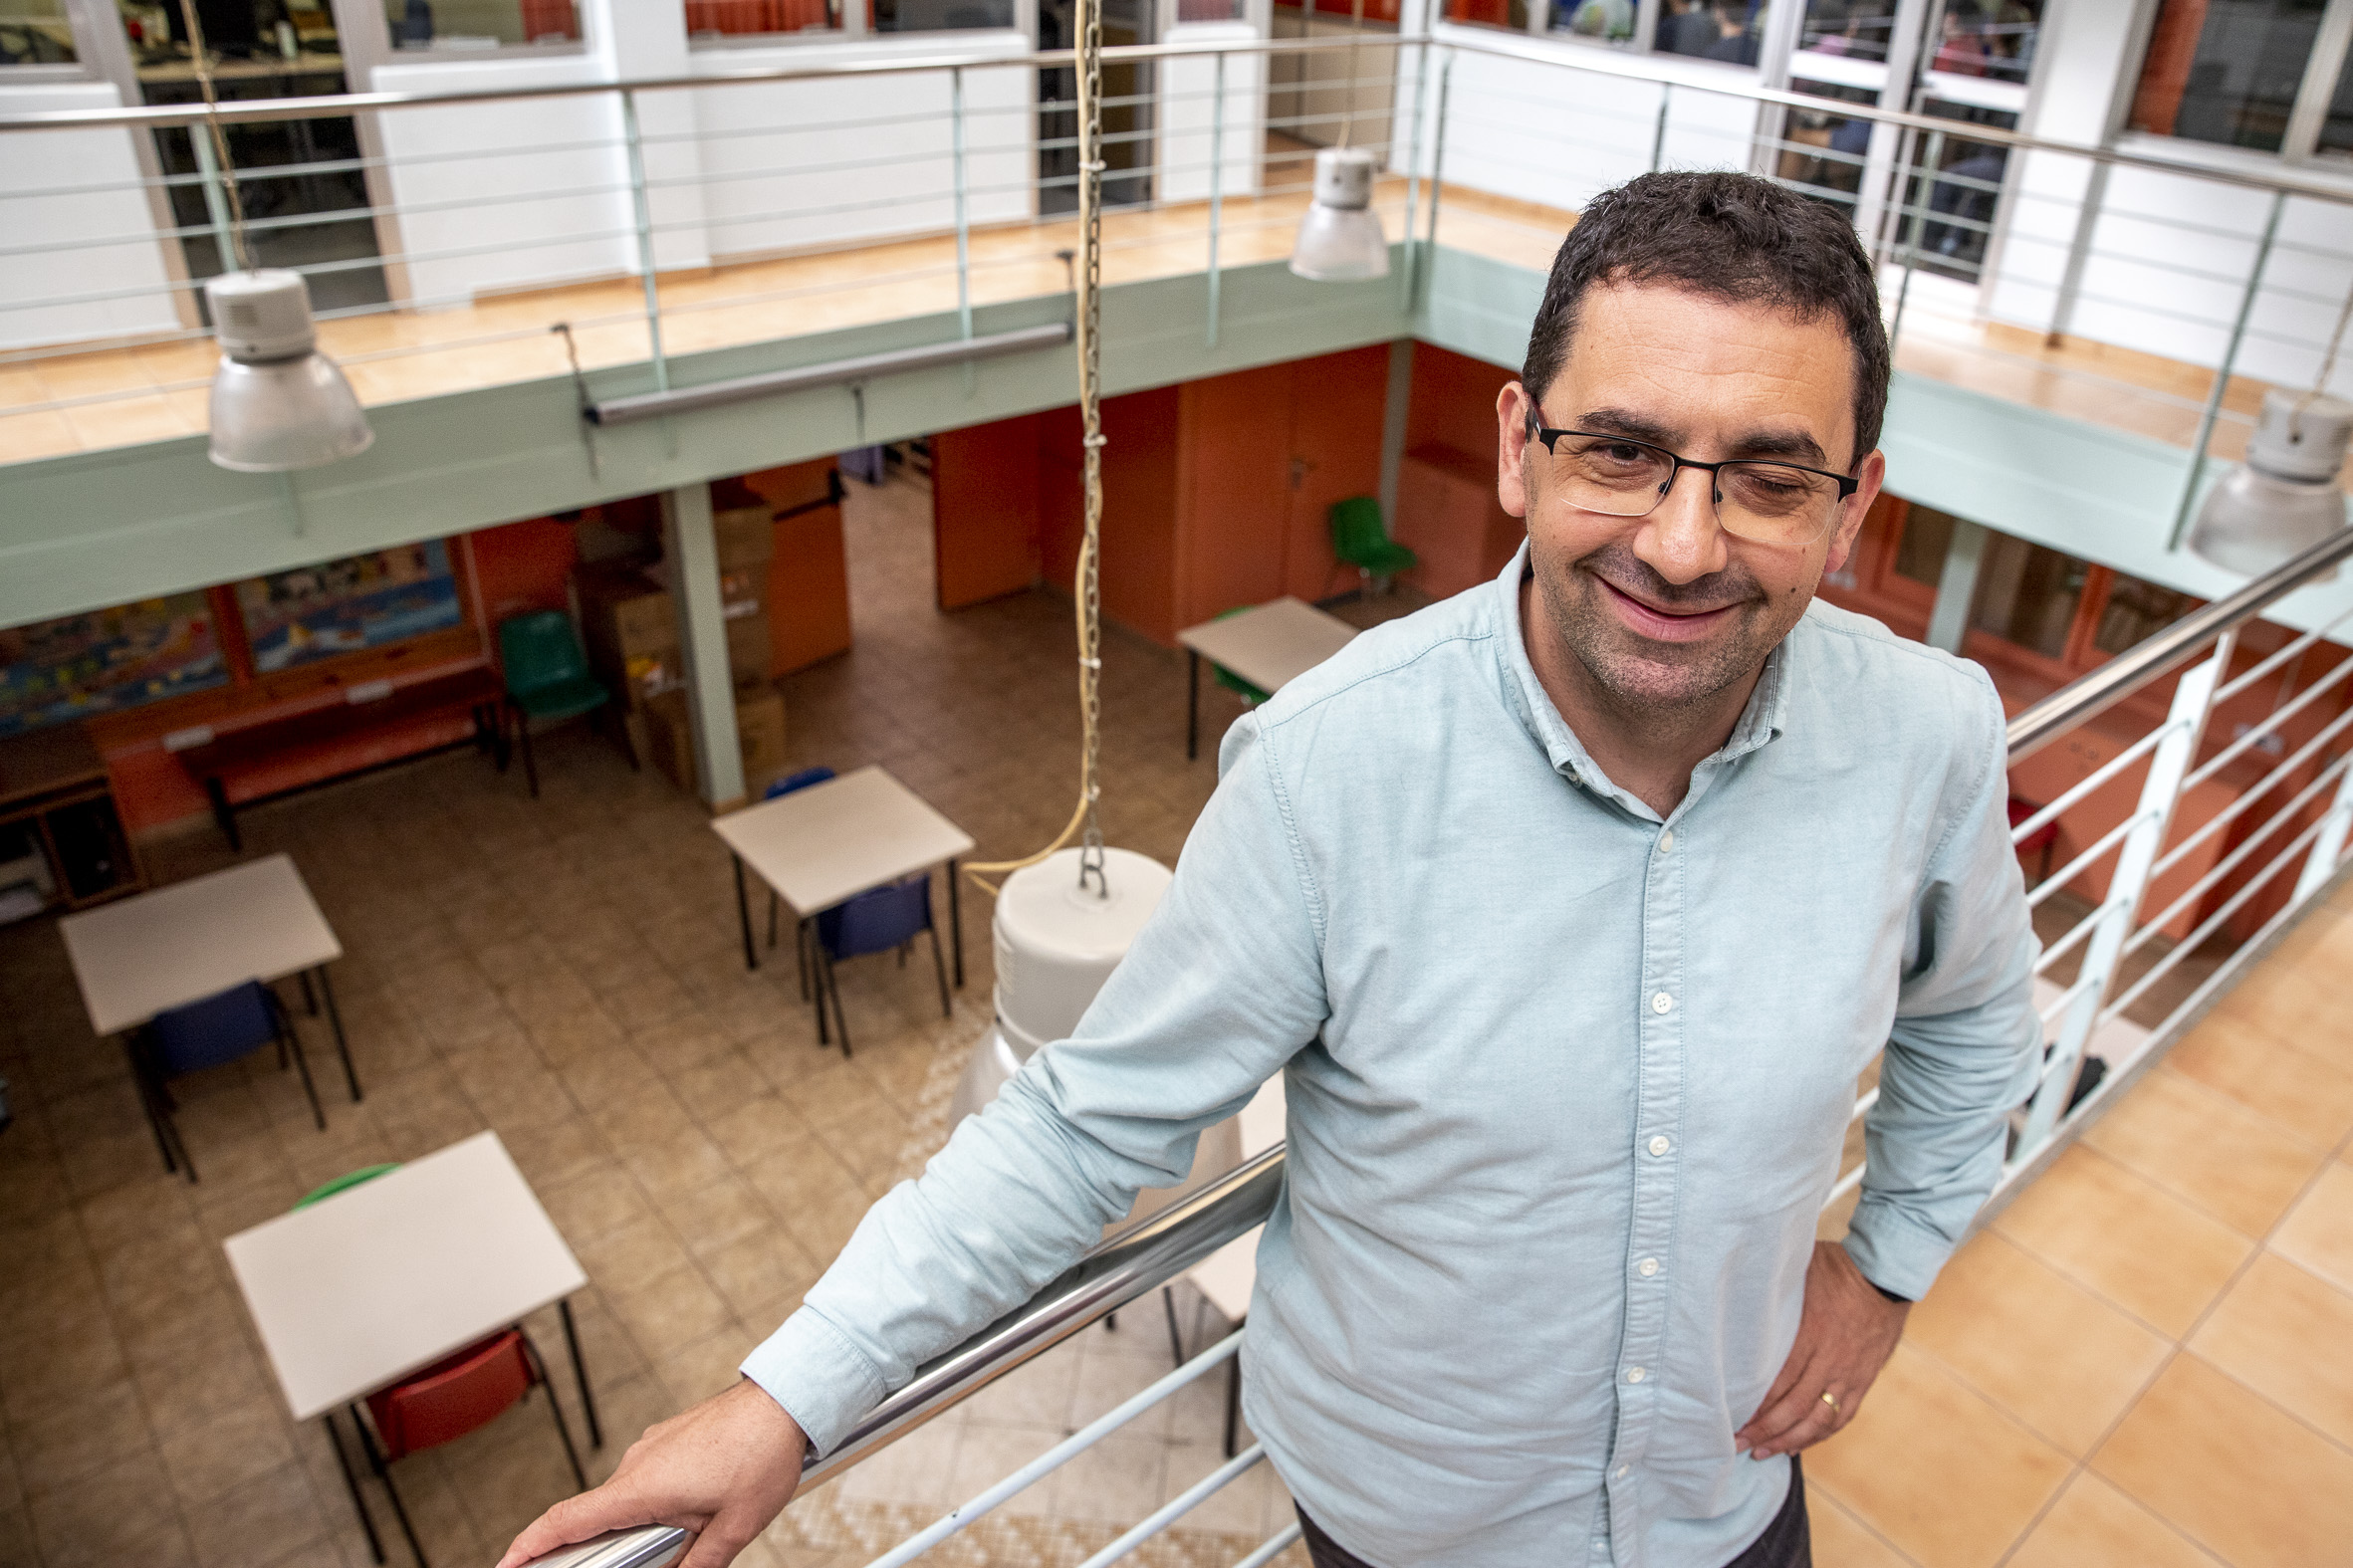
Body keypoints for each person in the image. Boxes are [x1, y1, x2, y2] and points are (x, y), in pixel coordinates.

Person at [500, 170, 2040, 1568]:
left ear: (1858, 508)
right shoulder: (1328, 772)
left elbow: (1975, 1023)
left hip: (1728, 1506)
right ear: (1519, 446)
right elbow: (1084, 1127)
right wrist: (787, 1397)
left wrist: (1889, 1267)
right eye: (1621, 453)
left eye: (1771, 480)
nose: (1686, 544)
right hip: (1406, 1534)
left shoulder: (1929, 737)